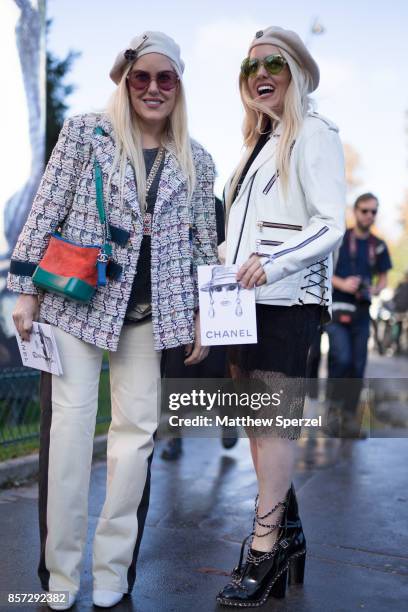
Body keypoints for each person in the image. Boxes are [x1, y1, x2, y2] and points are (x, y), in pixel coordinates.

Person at [8, 31, 217, 610]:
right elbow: (46, 207)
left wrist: (200, 314)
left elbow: (204, 246)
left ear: (179, 86)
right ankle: (60, 576)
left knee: (134, 444)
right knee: (70, 438)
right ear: (125, 82)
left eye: (165, 78)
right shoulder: (85, 133)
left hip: (151, 316)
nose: (152, 89)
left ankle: (112, 572)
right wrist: (26, 293)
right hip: (77, 305)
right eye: (141, 77)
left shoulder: (197, 158)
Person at [216, 26, 346, 607]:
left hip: (289, 304)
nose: (261, 75)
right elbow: (233, 238)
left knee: (272, 427)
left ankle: (265, 552)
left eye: (274, 63)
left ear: (296, 72)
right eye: (251, 68)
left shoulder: (313, 134)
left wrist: (274, 264)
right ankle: (288, 535)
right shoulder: (252, 146)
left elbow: (329, 222)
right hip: (242, 306)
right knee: (256, 426)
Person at [161, 197, 238, 461]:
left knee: (219, 372)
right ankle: (175, 437)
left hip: (210, 298)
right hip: (174, 302)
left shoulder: (215, 205)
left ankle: (228, 420)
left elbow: (225, 251)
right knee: (175, 375)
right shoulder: (166, 198)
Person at [326, 193, 392, 436]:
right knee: (340, 359)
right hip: (338, 309)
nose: (369, 215)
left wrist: (374, 288)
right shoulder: (339, 239)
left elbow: (383, 279)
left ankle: (350, 418)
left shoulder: (379, 245)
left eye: (374, 211)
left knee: (357, 365)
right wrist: (342, 284)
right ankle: (332, 412)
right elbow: (323, 270)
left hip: (362, 313)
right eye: (365, 210)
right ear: (355, 211)